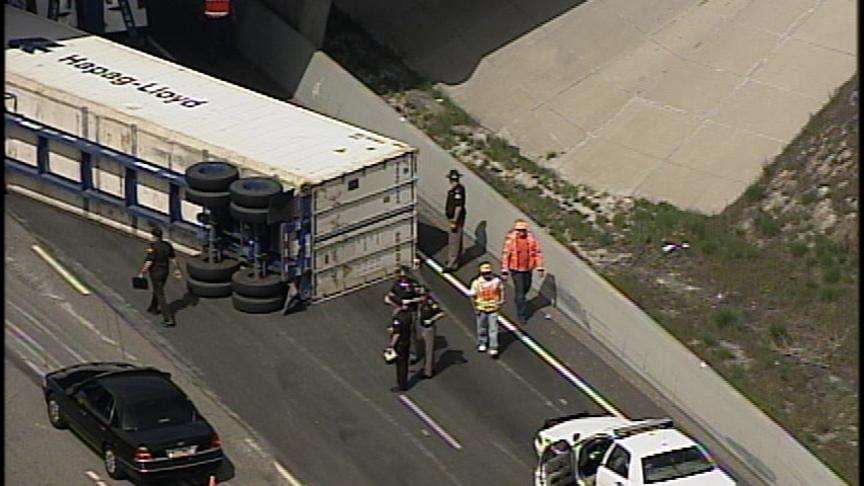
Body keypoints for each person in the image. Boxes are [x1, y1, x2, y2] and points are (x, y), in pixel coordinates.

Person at [501, 219, 544, 324]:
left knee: (527, 287)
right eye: (519, 230)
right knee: (520, 293)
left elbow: (537, 253)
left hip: (528, 268)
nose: (521, 232)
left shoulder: (531, 239)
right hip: (516, 269)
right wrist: (505, 270)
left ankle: (520, 300)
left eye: (523, 230)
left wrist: (540, 267)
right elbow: (506, 255)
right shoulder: (511, 240)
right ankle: (521, 314)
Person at [137, 227, 182, 327]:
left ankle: (168, 319)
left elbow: (150, 261)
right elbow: (173, 258)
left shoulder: (153, 247)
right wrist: (177, 269)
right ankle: (153, 308)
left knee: (160, 293)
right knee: (158, 289)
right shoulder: (167, 245)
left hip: (156, 272)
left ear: (154, 236)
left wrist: (142, 272)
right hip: (165, 271)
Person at [385, 265, 423, 362]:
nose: (403, 279)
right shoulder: (396, 284)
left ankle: (414, 353)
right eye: (401, 277)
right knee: (395, 328)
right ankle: (395, 347)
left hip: (411, 311)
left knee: (410, 331)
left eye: (404, 277)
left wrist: (410, 301)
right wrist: (396, 304)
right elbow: (389, 296)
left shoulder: (414, 285)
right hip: (399, 309)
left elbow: (422, 297)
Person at [469, 262, 504, 358]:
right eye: (484, 273)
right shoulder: (476, 283)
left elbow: (501, 290)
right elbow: (472, 296)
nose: (487, 275)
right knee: (481, 327)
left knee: (493, 329)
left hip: (493, 308)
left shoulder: (496, 281)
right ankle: (482, 342)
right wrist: (475, 308)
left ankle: (493, 347)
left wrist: (500, 302)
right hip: (481, 308)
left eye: (488, 272)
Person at [416, 287, 444, 379]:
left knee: (429, 350)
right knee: (425, 348)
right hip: (422, 326)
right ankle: (428, 368)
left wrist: (431, 320)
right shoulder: (421, 302)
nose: (421, 297)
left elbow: (441, 313)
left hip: (429, 328)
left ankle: (428, 372)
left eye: (423, 295)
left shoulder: (431, 303)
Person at [444, 169, 466, 272]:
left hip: (456, 218)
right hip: (452, 217)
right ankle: (456, 259)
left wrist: (454, 221)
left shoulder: (458, 191)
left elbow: (458, 207)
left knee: (454, 240)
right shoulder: (455, 189)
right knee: (456, 239)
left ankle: (452, 263)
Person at [386, 306, 413, 392]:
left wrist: (391, 346)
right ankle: (403, 383)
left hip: (400, 344)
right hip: (406, 341)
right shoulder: (408, 315)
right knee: (404, 363)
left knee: (400, 364)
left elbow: (397, 334)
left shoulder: (398, 319)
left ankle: (401, 384)